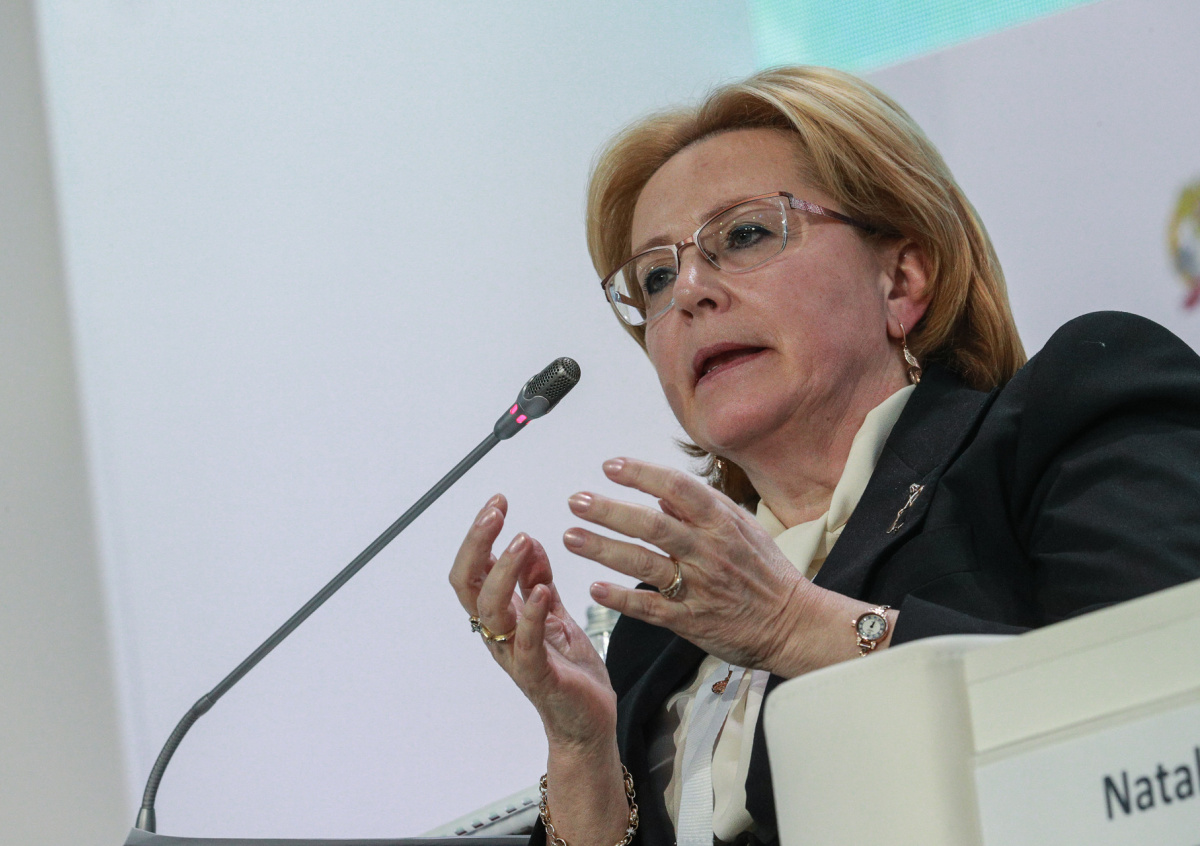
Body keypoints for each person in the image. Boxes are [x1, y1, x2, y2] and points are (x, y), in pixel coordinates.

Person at [448, 66, 1200, 846]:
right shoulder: (661, 627)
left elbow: (1163, 705)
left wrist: (795, 626)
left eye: (744, 234)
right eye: (657, 277)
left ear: (901, 279)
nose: (690, 292)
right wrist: (583, 752)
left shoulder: (1061, 422)